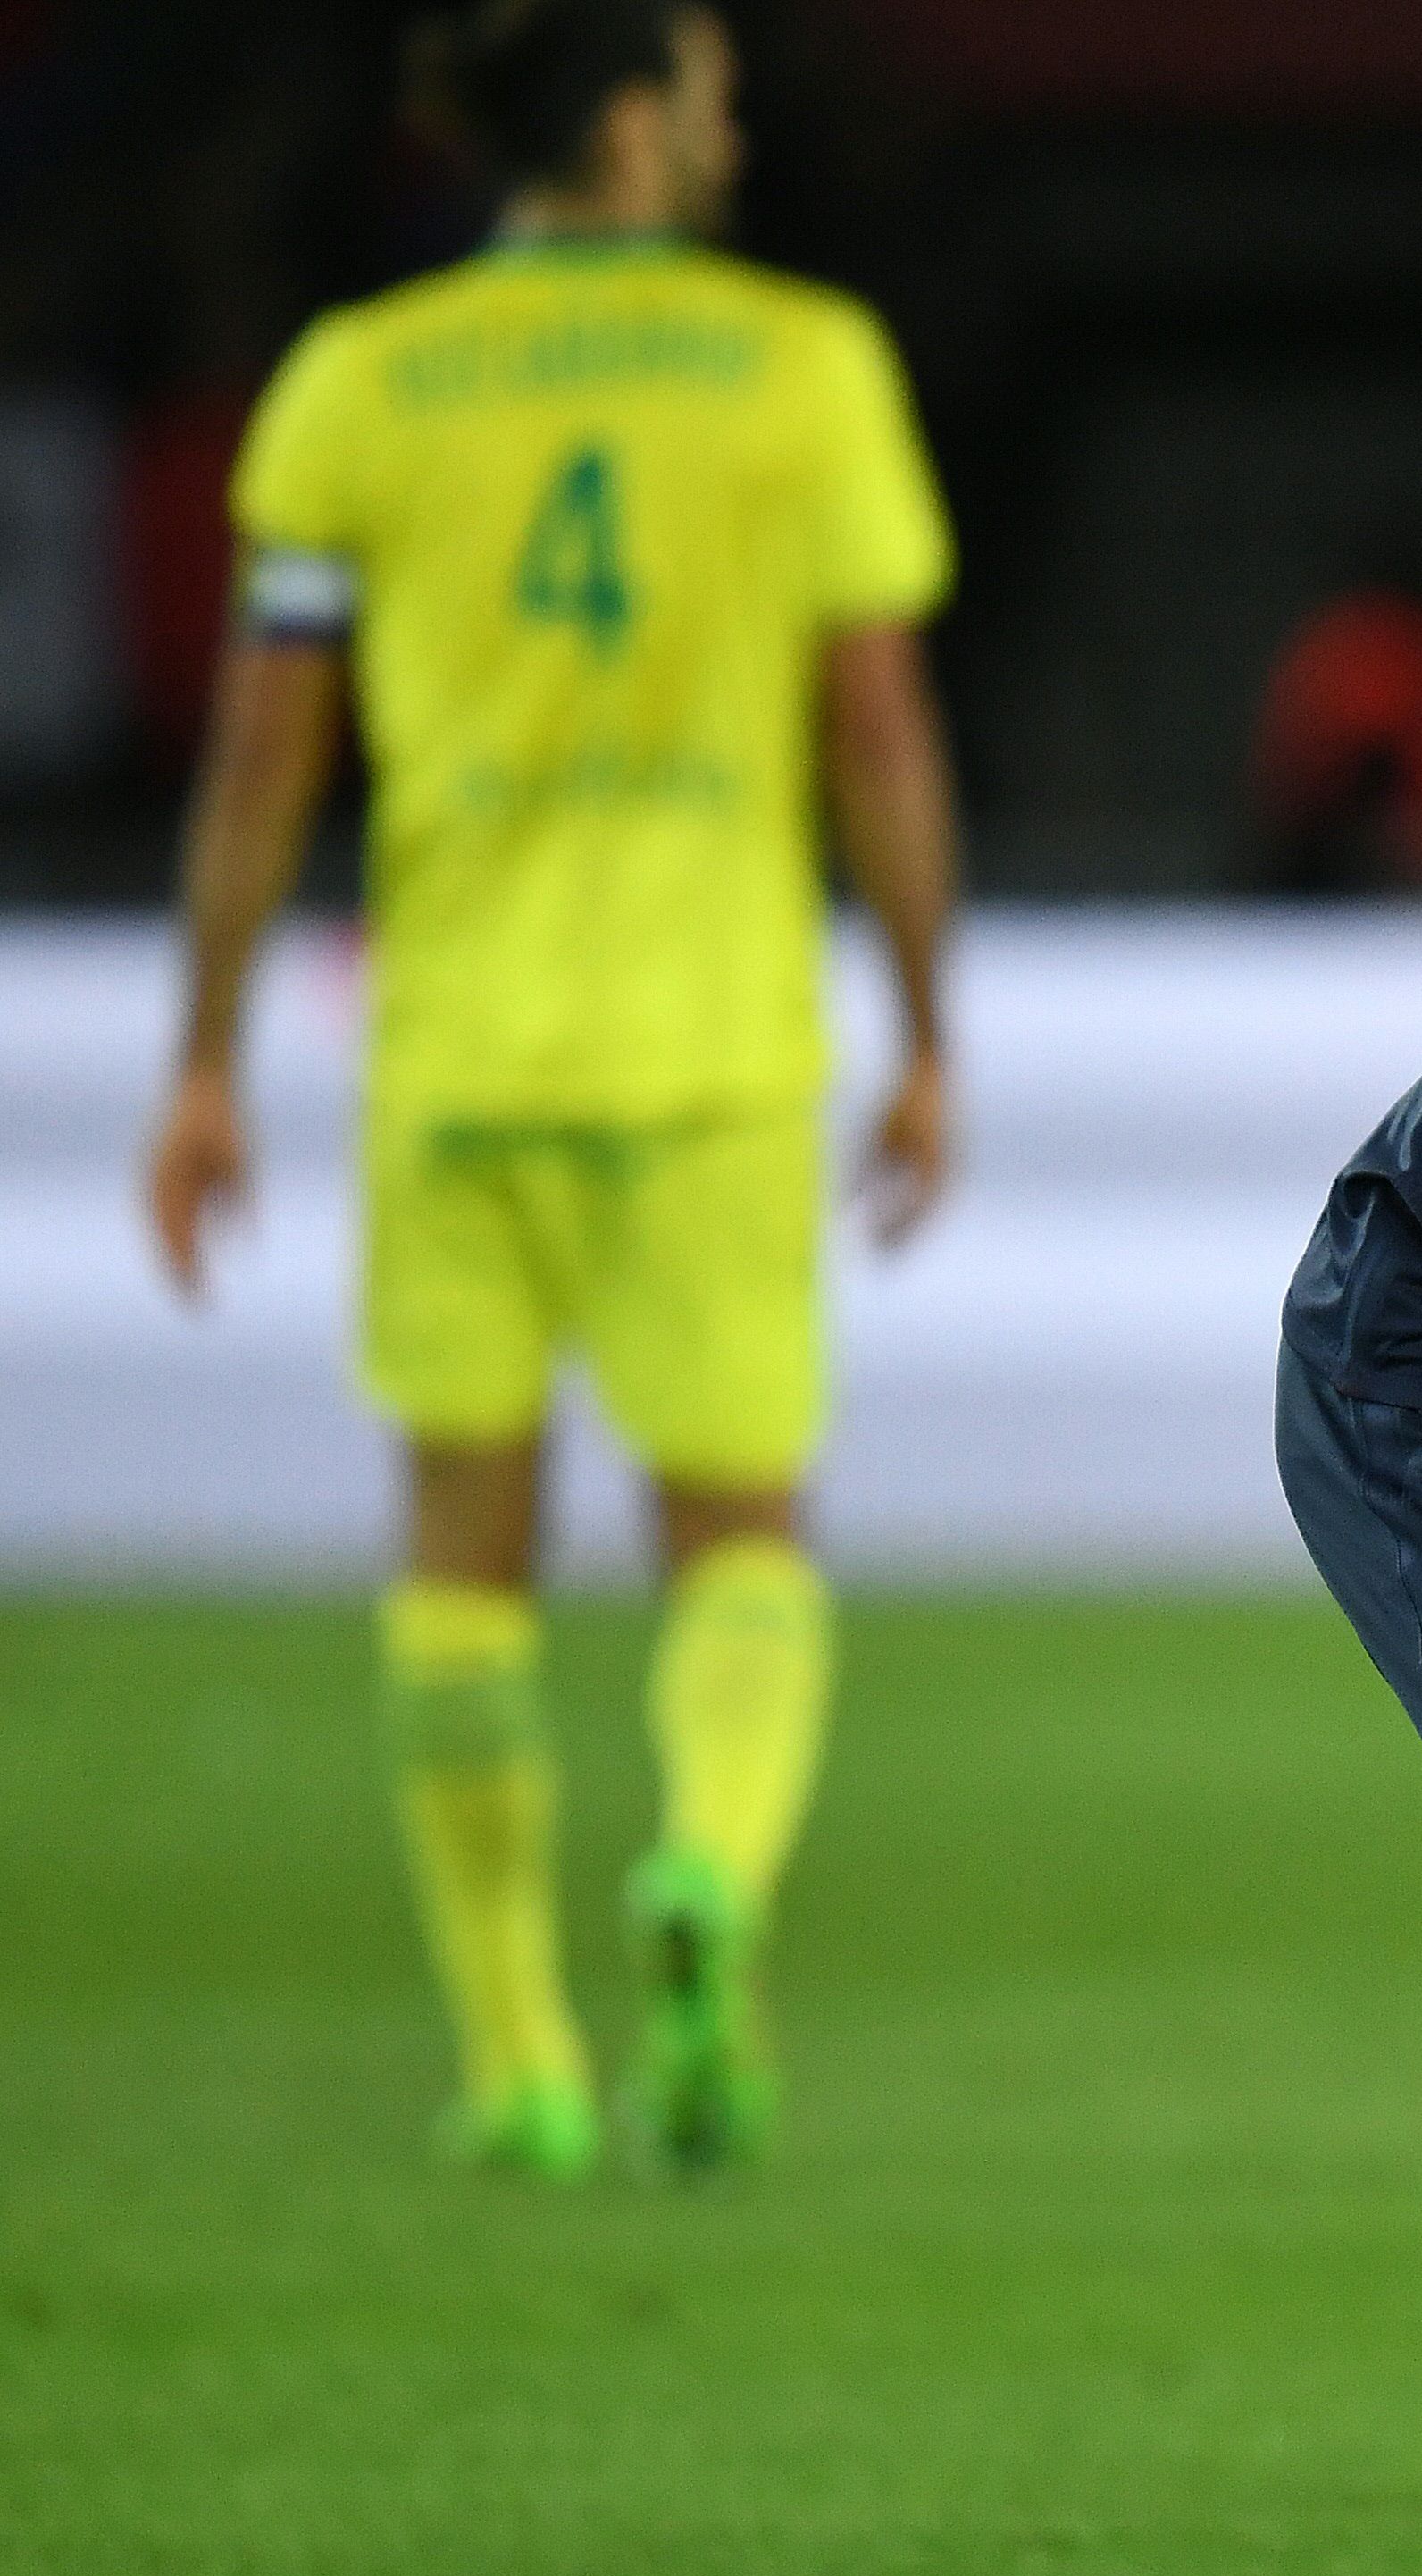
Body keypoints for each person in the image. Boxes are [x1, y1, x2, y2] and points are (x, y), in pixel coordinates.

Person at [142, 0, 956, 2180]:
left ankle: (514, 2058)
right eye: (704, 89)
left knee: (462, 1554)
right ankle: (706, 1872)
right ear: (626, 119)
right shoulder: (803, 366)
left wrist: (205, 1058)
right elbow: (875, 729)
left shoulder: (357, 382)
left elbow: (261, 750)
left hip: (461, 1047)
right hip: (709, 1045)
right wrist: (928, 1028)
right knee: (738, 1532)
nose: (729, 123)